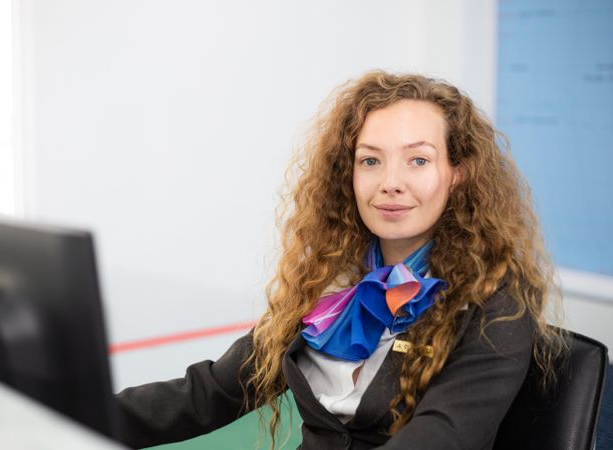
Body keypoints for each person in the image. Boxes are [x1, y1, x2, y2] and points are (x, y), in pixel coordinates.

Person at [115, 71, 567, 450]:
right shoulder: (330, 279)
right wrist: (74, 411)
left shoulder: (496, 305)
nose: (390, 182)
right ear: (347, 173)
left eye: (418, 161)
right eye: (370, 161)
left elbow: (441, 438)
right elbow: (211, 393)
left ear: (458, 174)